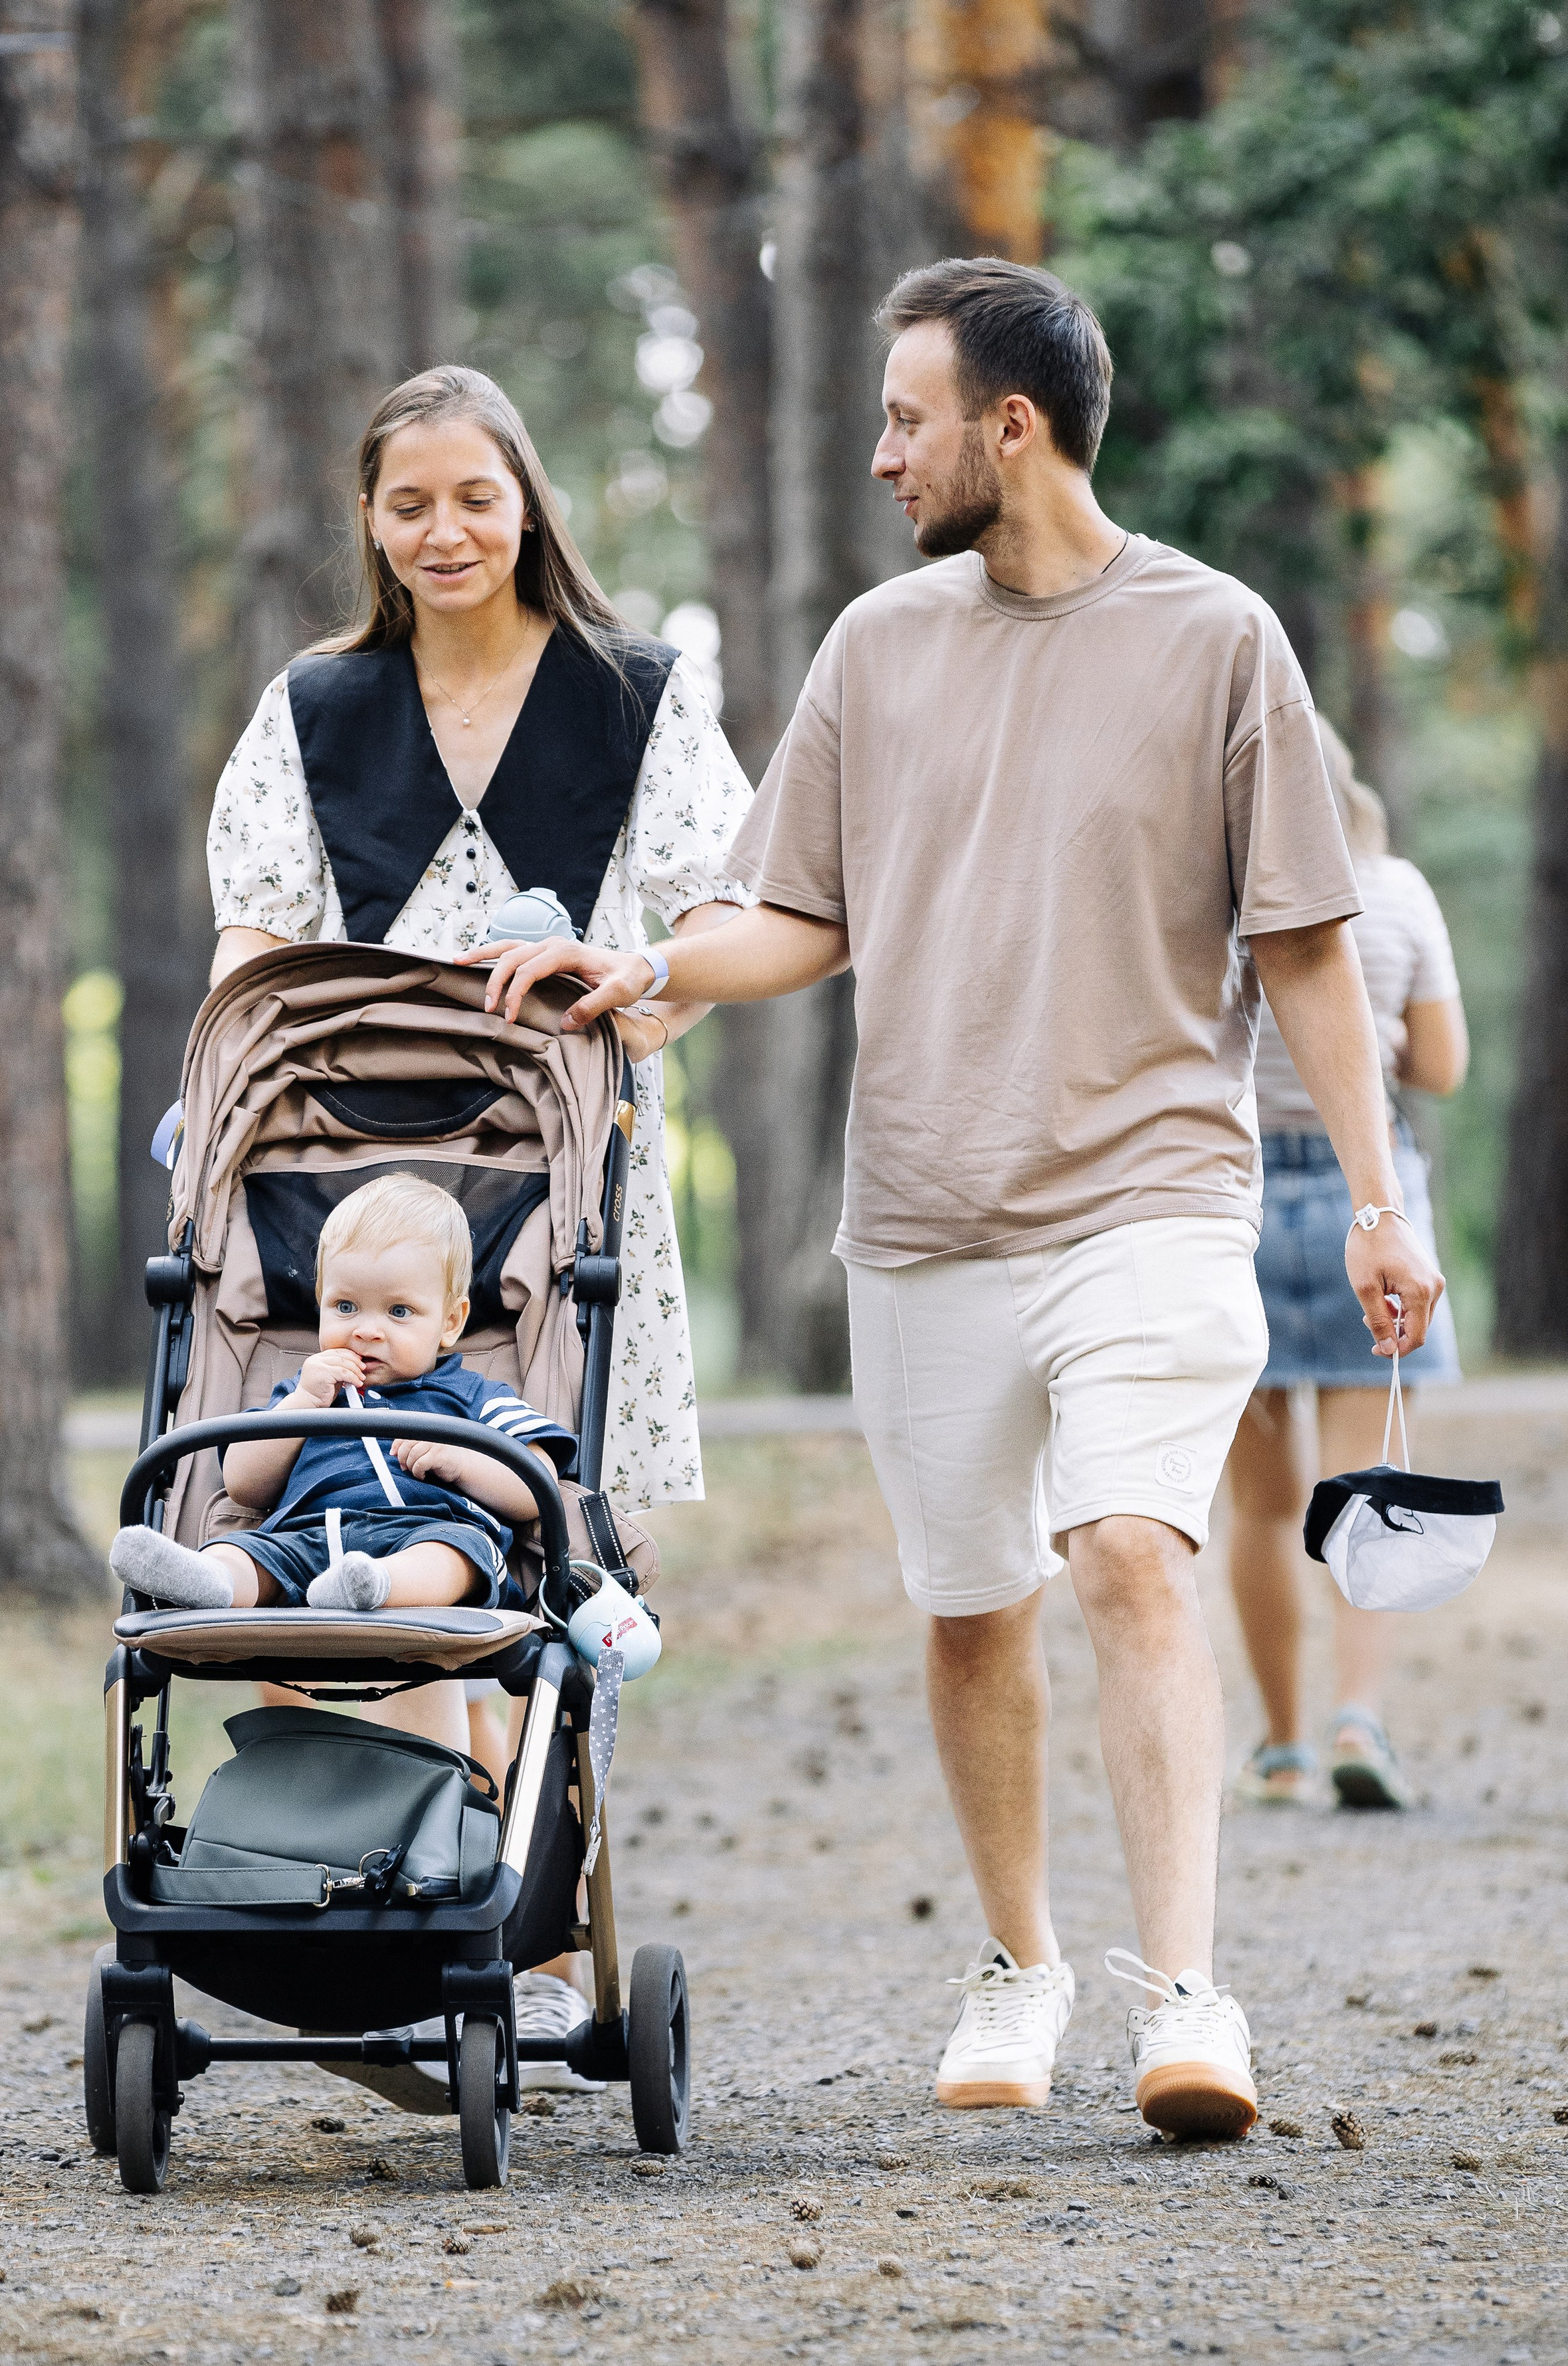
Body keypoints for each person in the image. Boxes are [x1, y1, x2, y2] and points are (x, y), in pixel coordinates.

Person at [468, 258, 1444, 2144]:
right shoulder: (878, 648)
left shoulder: (1222, 638)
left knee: (1130, 1555)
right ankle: (1021, 1964)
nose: (879, 452)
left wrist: (1383, 1205)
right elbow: (797, 914)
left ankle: (1190, 1998)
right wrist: (645, 972)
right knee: (974, 1605)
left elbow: (1310, 953)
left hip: (1154, 1192)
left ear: (1015, 425)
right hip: (923, 1213)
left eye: (907, 417)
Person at [203, 363, 752, 2082]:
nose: (445, 532)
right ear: (369, 521)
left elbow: (735, 913)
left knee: (544, 1548)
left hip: (564, 1182)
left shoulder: (637, 696)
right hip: (345, 1203)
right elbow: (251, 942)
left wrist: (642, 978)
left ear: (528, 501)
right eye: (408, 503)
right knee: (332, 1531)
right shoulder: (313, 707)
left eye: (474, 497)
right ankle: (334, 1903)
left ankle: (514, 1932)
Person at [1225, 723, 1468, 1813]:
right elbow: (1446, 1067)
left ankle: (1280, 1747)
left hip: (1237, 1204)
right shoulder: (1396, 891)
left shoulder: (1221, 898)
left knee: (1265, 1510)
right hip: (1371, 1201)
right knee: (1368, 1491)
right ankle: (1358, 1721)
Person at [110, 1178, 575, 1735]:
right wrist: (305, 1402)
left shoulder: (472, 1397)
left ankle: (380, 1586)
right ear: (320, 1307)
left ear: (450, 1322)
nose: (367, 1331)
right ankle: (210, 1580)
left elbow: (536, 1482)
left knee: (452, 1555)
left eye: (400, 1312)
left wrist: (462, 1460)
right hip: (312, 1541)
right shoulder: (302, 1394)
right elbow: (243, 1486)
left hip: (425, 1530)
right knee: (252, 1551)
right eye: (346, 1306)